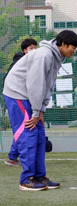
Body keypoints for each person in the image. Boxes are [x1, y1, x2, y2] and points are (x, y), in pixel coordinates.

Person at [3, 30, 77, 191]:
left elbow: (48, 85)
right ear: (63, 44)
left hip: (29, 96)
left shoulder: (57, 56)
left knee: (40, 135)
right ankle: (26, 180)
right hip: (17, 93)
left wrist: (41, 110)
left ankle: (39, 176)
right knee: (29, 134)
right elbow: (35, 85)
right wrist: (35, 111)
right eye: (73, 48)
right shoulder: (44, 55)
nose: (74, 51)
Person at [4, 38, 37, 167]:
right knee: (23, 127)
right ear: (24, 51)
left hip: (24, 98)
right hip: (16, 96)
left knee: (25, 126)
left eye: (35, 47)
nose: (33, 50)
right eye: (30, 48)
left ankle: (13, 156)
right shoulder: (20, 62)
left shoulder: (33, 62)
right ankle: (22, 160)